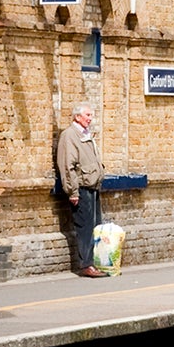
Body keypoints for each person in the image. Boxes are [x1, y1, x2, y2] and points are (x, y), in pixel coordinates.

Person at [55, 104, 106, 277]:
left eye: (91, 115)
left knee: (95, 226)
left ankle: (93, 261)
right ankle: (86, 265)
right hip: (81, 188)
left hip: (93, 186)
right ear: (77, 117)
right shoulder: (70, 135)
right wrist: (73, 192)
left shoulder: (86, 134)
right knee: (84, 227)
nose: (90, 118)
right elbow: (67, 166)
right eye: (87, 115)